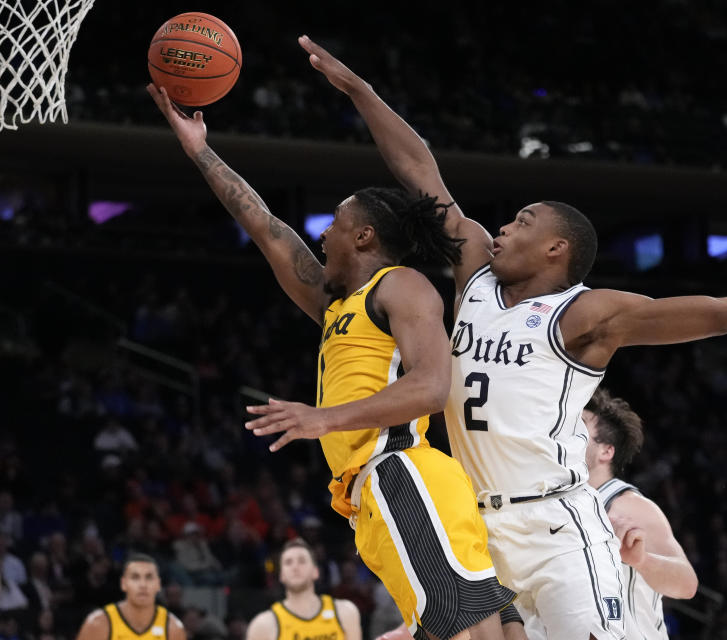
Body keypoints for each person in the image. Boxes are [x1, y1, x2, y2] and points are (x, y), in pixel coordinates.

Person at [291, 35, 727, 640]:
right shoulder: (476, 273)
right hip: (479, 521)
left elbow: (723, 312)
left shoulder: (587, 315)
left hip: (555, 523)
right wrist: (358, 89)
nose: (504, 228)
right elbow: (419, 173)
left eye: (523, 222)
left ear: (556, 249)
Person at [147, 84, 516, 640]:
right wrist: (200, 150)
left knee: (470, 633)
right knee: (484, 631)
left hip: (404, 471)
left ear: (365, 236)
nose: (322, 234)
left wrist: (324, 418)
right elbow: (265, 226)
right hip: (370, 494)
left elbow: (431, 388)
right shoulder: (336, 305)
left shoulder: (403, 286)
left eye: (336, 224)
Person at [585, 388, 697, 639]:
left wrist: (641, 560)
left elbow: (687, 583)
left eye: (580, 426)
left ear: (606, 451)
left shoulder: (627, 504)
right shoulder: (561, 503)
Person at [245, 539, 361, 640]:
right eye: (288, 562)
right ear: (281, 576)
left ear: (315, 571)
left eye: (302, 561)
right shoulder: (263, 625)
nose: (295, 567)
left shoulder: (345, 612)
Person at [74, 553, 186, 640]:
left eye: (149, 577)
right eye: (135, 577)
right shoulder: (97, 623)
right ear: (123, 583)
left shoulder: (172, 626)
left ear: (157, 584)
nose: (143, 584)